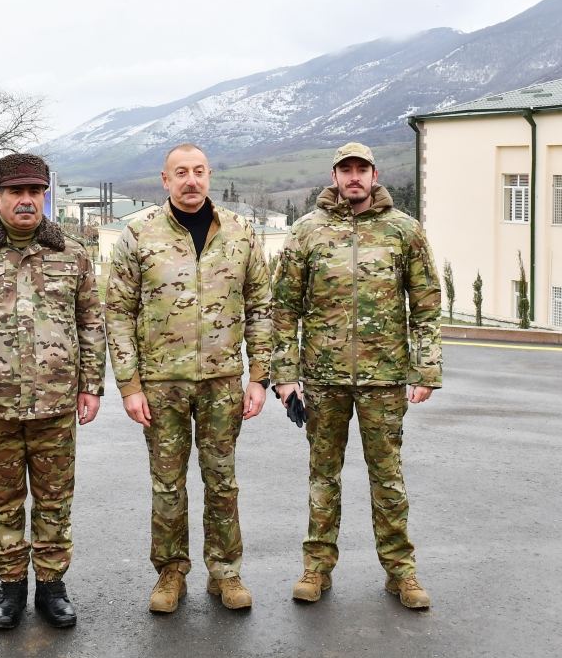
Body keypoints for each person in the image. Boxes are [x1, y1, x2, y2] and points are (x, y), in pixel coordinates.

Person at [0, 153, 106, 630]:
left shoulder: (72, 253)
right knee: (1, 501)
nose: (27, 200)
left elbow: (91, 322)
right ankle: (10, 588)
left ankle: (52, 586)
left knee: (55, 499)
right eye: (16, 192)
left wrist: (91, 385)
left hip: (55, 404)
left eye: (35, 192)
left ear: (44, 195)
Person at [270, 142, 442, 610]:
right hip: (322, 380)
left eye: (361, 169)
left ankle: (401, 573)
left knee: (388, 478)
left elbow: (426, 305)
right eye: (345, 170)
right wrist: (284, 376)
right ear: (334, 176)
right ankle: (316, 568)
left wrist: (424, 369)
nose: (353, 177)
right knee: (323, 476)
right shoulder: (306, 233)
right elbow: (282, 309)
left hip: (383, 379)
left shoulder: (403, 231)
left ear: (374, 174)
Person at [105, 143, 271, 613]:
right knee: (166, 484)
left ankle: (226, 572)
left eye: (199, 171)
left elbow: (261, 306)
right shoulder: (138, 234)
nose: (191, 180)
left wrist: (259, 376)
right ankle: (170, 572)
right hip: (162, 384)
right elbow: (117, 312)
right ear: (165, 180)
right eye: (181, 172)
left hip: (222, 381)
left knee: (222, 481)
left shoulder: (240, 232)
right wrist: (129, 385)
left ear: (210, 175)